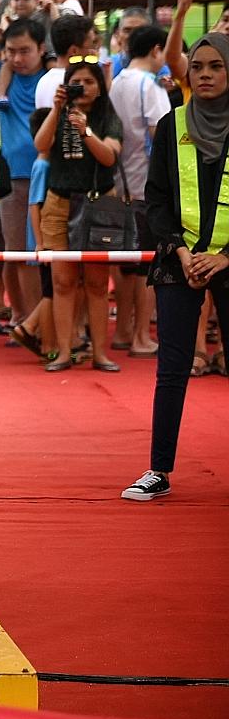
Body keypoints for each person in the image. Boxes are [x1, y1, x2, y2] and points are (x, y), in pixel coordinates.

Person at [122, 34, 229, 500]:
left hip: (228, 259)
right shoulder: (171, 125)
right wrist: (183, 253)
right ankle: (158, 471)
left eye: (216, 66)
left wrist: (224, 257)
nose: (204, 74)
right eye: (198, 66)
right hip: (179, 260)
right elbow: (157, 200)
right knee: (171, 369)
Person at [32, 58, 124, 372]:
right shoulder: (57, 114)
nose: (82, 87)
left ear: (100, 87)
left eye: (88, 81)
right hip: (58, 202)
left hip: (99, 204)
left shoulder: (108, 117)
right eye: (76, 81)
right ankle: (62, 352)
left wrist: (85, 131)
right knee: (62, 282)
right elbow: (41, 145)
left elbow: (110, 157)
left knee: (98, 284)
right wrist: (57, 110)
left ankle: (100, 353)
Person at [0, 16, 47, 326]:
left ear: (42, 48)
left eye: (25, 51)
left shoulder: (52, 77)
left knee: (41, 254)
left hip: (48, 178)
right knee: (15, 253)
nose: (18, 58)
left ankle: (38, 320)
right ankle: (23, 318)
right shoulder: (3, 75)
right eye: (12, 51)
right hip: (13, 179)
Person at [110, 25, 172, 358]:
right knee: (148, 263)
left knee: (125, 264)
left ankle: (123, 331)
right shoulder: (149, 85)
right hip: (147, 185)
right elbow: (161, 133)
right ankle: (140, 336)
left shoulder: (117, 81)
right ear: (156, 51)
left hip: (121, 184)